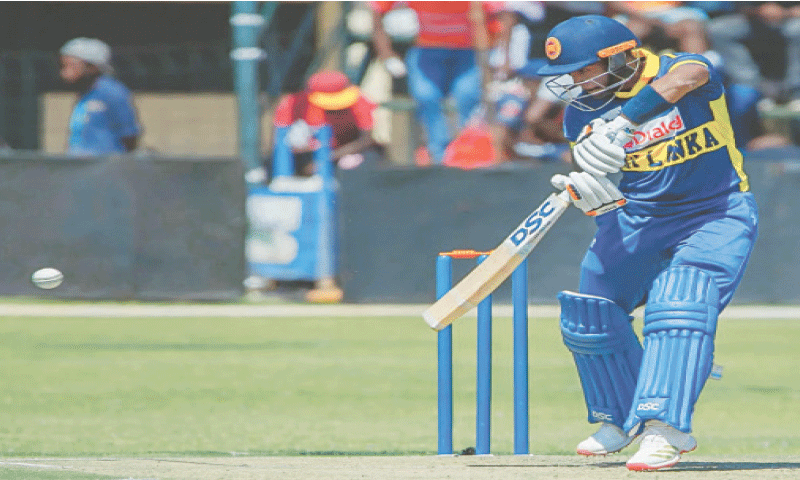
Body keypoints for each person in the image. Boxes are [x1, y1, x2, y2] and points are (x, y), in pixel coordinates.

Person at [537, 15, 758, 471]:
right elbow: (605, 172)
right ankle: (618, 418)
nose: (576, 82)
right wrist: (595, 195)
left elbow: (689, 77)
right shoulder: (581, 112)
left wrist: (625, 119)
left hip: (715, 213)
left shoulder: (683, 68)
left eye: (584, 70)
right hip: (638, 217)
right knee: (588, 311)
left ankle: (664, 428)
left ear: (622, 56)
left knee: (680, 303)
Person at [370, 1, 511, 164]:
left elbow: (504, 15)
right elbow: (377, 9)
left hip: (468, 51)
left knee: (468, 97)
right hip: (428, 50)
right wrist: (386, 52)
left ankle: (469, 153)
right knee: (426, 96)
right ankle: (440, 155)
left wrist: (503, 55)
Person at [271, 70, 384, 177]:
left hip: (344, 152)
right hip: (307, 156)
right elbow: (282, 143)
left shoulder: (359, 102)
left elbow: (366, 140)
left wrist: (325, 159)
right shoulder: (293, 105)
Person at [706, 2, 800, 105]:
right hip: (753, 19)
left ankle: (795, 92)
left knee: (797, 28)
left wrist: (786, 12)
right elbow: (741, 6)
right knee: (719, 29)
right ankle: (755, 86)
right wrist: (759, 10)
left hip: (791, 20)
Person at [59, 38, 141, 155]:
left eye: (71, 66)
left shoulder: (111, 92)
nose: (64, 73)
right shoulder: (85, 94)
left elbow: (128, 135)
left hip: (104, 167)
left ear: (92, 67)